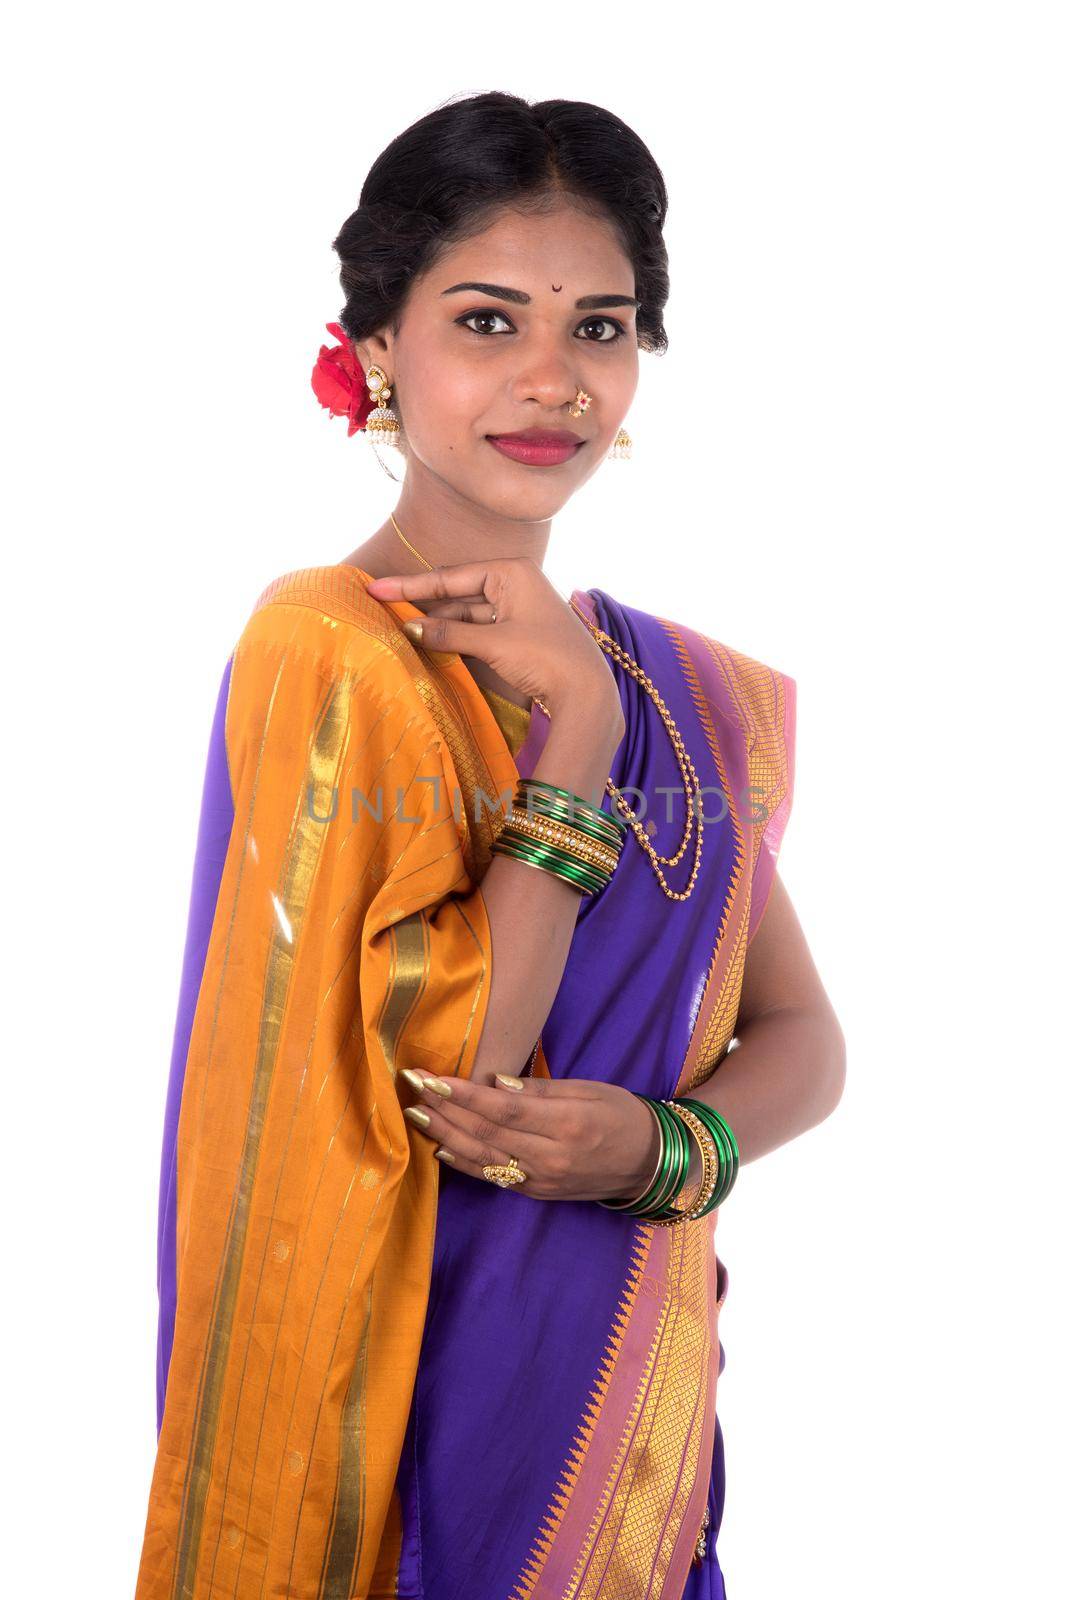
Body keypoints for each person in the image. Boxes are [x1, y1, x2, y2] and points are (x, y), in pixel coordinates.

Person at [135, 91, 846, 1600]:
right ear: (378, 348)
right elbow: (457, 1059)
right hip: (412, 1415)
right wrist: (574, 733)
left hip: (626, 1424)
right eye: (486, 320)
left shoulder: (683, 693)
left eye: (601, 327)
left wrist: (663, 1150)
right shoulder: (328, 648)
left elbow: (803, 1038)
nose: (553, 378)